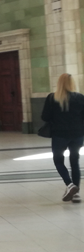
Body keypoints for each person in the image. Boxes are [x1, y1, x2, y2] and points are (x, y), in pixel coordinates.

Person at [42, 73, 84, 203]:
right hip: (77, 134)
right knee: (74, 161)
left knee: (58, 161)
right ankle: (76, 194)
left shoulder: (52, 98)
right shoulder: (80, 98)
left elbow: (45, 117)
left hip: (59, 135)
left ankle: (70, 185)